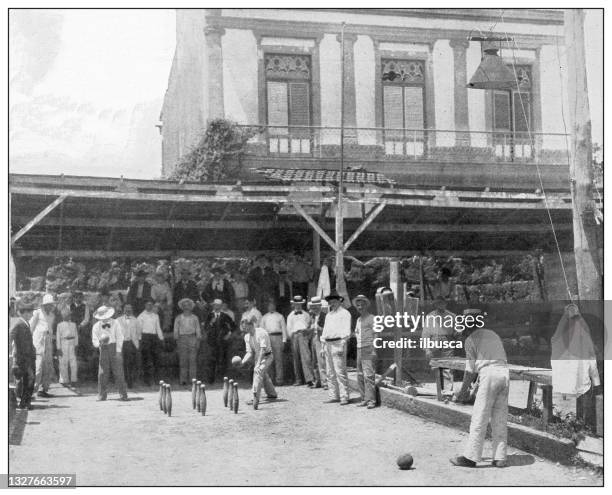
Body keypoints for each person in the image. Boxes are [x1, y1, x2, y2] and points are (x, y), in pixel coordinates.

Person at [450, 309, 509, 468]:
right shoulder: (493, 334)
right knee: (499, 417)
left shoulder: (470, 340)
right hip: (504, 374)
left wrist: (462, 393)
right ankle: (500, 457)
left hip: (489, 374)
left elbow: (470, 371)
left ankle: (470, 457)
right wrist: (474, 389)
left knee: (479, 416)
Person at [237, 315, 277, 410]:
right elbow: (249, 352)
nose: (243, 328)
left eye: (245, 325)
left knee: (258, 371)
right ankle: (272, 394)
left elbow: (263, 350)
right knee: (264, 375)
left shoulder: (261, 333)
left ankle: (255, 397)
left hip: (267, 356)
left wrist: (258, 364)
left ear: (250, 325)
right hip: (258, 356)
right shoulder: (247, 337)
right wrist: (242, 362)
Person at [91, 305, 128, 401]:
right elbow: (94, 340)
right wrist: (99, 343)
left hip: (114, 347)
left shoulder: (115, 323)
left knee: (118, 371)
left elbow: (120, 337)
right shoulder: (96, 326)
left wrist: (119, 351)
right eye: (102, 317)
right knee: (102, 373)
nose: (104, 318)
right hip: (103, 348)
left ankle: (123, 394)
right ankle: (102, 395)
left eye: (106, 316)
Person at [321, 291, 352, 405]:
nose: (332, 303)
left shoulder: (345, 313)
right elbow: (325, 331)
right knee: (330, 371)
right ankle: (333, 395)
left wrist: (343, 343)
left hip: (339, 343)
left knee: (340, 371)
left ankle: (344, 396)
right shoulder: (329, 315)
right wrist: (323, 346)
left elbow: (347, 331)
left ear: (339, 301)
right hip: (328, 344)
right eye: (330, 302)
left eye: (334, 301)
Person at [422, 296, 457, 392]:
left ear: (445, 304)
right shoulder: (430, 316)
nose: (440, 305)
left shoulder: (452, 316)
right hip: (434, 341)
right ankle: (437, 391)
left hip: (447, 341)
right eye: (438, 303)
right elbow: (425, 334)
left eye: (442, 303)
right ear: (435, 304)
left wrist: (458, 333)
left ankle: (448, 391)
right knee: (436, 367)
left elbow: (456, 332)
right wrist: (427, 349)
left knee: (448, 367)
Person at [9, 296, 37, 409]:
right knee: (29, 379)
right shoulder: (18, 323)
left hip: (29, 357)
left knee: (29, 380)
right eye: (30, 312)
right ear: (24, 313)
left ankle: (25, 403)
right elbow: (10, 336)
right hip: (23, 358)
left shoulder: (25, 323)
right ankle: (25, 403)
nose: (31, 315)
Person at [30, 293, 57, 398]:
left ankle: (43, 389)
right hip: (38, 341)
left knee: (48, 366)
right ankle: (32, 391)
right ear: (44, 305)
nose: (50, 306)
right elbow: (31, 328)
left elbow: (50, 328)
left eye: (51, 304)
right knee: (38, 366)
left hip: (48, 340)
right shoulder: (37, 313)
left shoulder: (52, 315)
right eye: (48, 304)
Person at [203, 299, 235, 384]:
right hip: (212, 341)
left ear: (220, 306)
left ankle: (222, 379)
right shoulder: (209, 315)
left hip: (222, 341)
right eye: (214, 305)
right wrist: (211, 323)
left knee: (222, 360)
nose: (215, 306)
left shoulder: (225, 316)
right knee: (211, 360)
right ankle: (211, 380)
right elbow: (205, 327)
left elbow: (233, 326)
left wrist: (229, 334)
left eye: (217, 305)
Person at [286, 295, 315, 387]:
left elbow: (309, 326)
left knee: (306, 357)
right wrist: (291, 337)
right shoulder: (290, 316)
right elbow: (289, 328)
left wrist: (307, 337)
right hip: (294, 336)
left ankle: (309, 379)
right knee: (296, 358)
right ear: (293, 305)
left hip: (303, 335)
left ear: (301, 304)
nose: (298, 306)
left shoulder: (306, 315)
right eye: (296, 304)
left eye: (299, 304)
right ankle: (298, 379)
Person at [353, 295, 376, 409]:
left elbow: (376, 334)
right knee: (360, 375)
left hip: (368, 347)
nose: (360, 307)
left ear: (366, 305)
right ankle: (364, 398)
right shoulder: (358, 319)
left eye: (362, 305)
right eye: (358, 305)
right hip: (359, 348)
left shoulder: (372, 318)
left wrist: (374, 349)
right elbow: (356, 333)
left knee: (368, 375)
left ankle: (371, 400)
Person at [174, 298, 202, 386]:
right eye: (184, 306)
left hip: (192, 338)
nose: (186, 307)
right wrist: (177, 340)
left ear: (191, 307)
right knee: (183, 360)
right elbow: (176, 330)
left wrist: (198, 340)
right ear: (182, 307)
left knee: (192, 360)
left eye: (188, 306)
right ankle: (183, 380)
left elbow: (198, 329)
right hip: (182, 339)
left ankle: (193, 379)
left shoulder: (195, 318)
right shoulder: (178, 318)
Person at [137, 299, 164, 386]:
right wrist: (140, 340)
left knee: (156, 359)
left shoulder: (155, 316)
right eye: (147, 305)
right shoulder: (141, 316)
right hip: (145, 338)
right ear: (145, 306)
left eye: (151, 305)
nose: (149, 306)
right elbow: (139, 329)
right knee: (147, 360)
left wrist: (161, 338)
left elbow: (158, 328)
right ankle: (147, 380)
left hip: (154, 338)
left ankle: (157, 379)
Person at [261, 299, 287, 385]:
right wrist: (263, 342)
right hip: (268, 338)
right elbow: (262, 330)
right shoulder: (264, 317)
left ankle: (279, 379)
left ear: (275, 306)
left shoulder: (280, 316)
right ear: (267, 307)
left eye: (272, 305)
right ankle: (270, 380)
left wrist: (284, 340)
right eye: (269, 305)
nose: (271, 307)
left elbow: (283, 328)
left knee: (278, 359)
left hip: (278, 337)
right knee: (268, 359)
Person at [116, 304, 141, 389]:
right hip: (121, 343)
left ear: (132, 310)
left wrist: (136, 343)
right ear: (123, 310)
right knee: (121, 363)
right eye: (126, 309)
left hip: (131, 343)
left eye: (130, 309)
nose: (128, 310)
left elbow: (139, 333)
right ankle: (122, 381)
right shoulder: (118, 320)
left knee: (130, 363)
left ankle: (130, 382)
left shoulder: (136, 320)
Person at [308, 297, 327, 389]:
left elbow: (326, 330)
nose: (314, 308)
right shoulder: (312, 316)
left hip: (321, 338)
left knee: (321, 361)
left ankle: (325, 382)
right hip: (314, 338)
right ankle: (317, 380)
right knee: (314, 360)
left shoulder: (325, 316)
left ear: (320, 306)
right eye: (312, 306)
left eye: (316, 306)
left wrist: (319, 328)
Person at [56, 309, 79, 386]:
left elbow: (76, 336)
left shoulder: (73, 324)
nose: (68, 316)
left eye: (69, 315)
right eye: (66, 315)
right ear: (63, 316)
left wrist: (76, 345)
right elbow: (58, 337)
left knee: (73, 362)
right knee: (63, 362)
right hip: (63, 343)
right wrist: (58, 348)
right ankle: (64, 380)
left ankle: (74, 380)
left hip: (72, 343)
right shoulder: (59, 325)